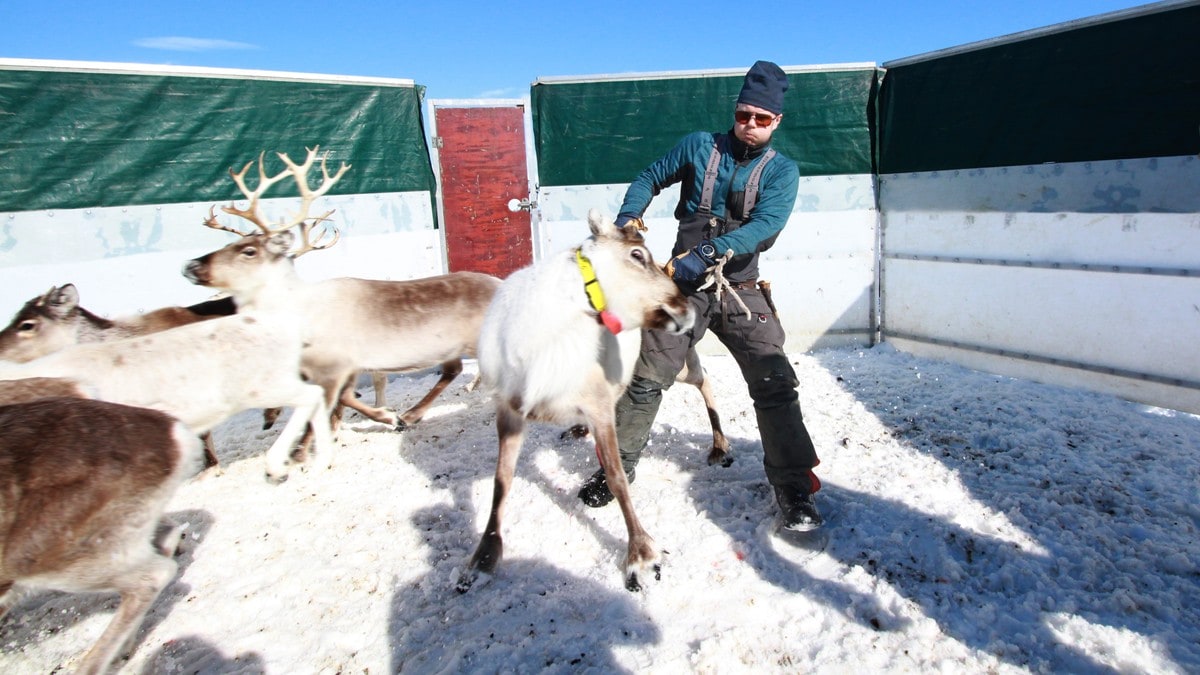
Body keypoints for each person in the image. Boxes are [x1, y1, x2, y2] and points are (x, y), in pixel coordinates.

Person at [577, 60, 824, 531]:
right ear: (735, 112)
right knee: (648, 378)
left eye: (762, 119)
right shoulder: (698, 145)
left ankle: (793, 486)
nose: (750, 125)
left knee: (774, 383)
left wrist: (711, 250)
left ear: (777, 122)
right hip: (683, 289)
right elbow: (650, 176)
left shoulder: (782, 172)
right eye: (744, 115)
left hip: (740, 289)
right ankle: (618, 469)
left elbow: (765, 226)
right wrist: (631, 217)